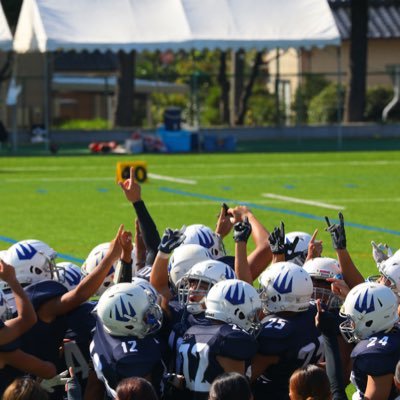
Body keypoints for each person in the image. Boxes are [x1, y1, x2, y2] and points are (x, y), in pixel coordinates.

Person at [253, 262, 324, 400]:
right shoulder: (315, 312)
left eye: (266, 289)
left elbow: (246, 377)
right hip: (305, 390)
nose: (263, 293)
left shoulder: (275, 334)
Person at [179, 279, 260, 399]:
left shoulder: (192, 331)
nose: (254, 318)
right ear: (237, 311)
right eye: (253, 314)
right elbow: (238, 391)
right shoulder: (231, 338)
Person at [90, 281, 165, 398]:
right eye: (146, 314)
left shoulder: (105, 323)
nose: (151, 315)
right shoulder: (133, 360)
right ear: (129, 322)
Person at [340, 282, 400, 400]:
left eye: (351, 319)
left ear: (369, 322)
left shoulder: (375, 354)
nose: (349, 324)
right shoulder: (392, 330)